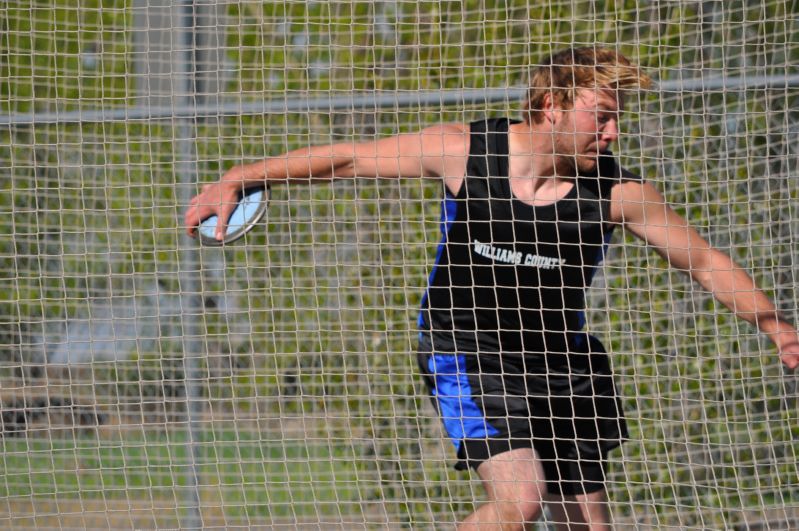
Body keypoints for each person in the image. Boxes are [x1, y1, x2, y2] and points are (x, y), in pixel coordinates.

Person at [185, 47, 799, 530]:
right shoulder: (463, 152)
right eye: (601, 115)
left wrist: (774, 325)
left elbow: (704, 261)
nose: (612, 132)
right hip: (470, 350)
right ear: (553, 104)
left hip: (562, 362)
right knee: (521, 500)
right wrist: (240, 176)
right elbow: (348, 158)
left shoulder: (620, 194)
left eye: (616, 119)